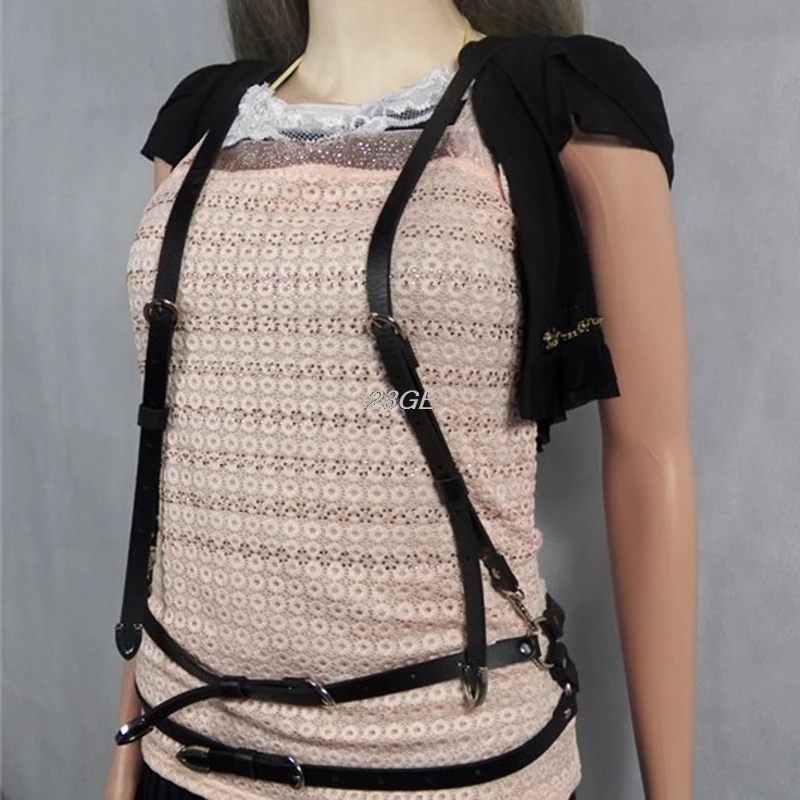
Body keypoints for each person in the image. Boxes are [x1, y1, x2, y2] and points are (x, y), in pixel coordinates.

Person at [104, 1, 697, 798]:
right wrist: (125, 747)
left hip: (448, 764)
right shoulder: (203, 118)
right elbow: (175, 466)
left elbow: (650, 459)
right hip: (185, 752)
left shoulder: (556, 99)